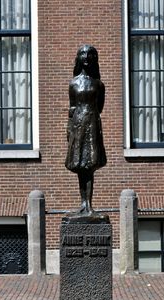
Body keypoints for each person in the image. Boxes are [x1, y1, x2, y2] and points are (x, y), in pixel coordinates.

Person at [65, 45, 107, 216]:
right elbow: (72, 107)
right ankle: (83, 203)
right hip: (78, 125)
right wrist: (69, 129)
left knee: (89, 165)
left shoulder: (99, 84)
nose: (86, 56)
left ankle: (89, 204)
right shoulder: (73, 83)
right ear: (78, 57)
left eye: (90, 54)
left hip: (92, 125)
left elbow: (100, 107)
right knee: (80, 165)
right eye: (83, 53)